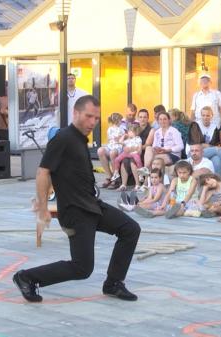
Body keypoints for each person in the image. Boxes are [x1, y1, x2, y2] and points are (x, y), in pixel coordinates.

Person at [12, 95, 141, 303]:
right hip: (75, 212)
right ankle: (26, 277)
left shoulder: (80, 140)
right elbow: (43, 172)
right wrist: (43, 207)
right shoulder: (63, 138)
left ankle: (113, 283)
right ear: (76, 113)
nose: (92, 122)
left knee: (130, 229)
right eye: (89, 116)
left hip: (91, 206)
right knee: (82, 268)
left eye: (96, 118)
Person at [113, 124, 143, 191]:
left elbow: (140, 150)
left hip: (134, 154)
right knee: (117, 159)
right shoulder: (128, 140)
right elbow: (120, 142)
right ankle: (116, 172)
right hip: (126, 154)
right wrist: (124, 136)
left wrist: (135, 151)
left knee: (137, 161)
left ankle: (140, 176)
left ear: (135, 132)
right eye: (128, 131)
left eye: (130, 131)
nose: (128, 133)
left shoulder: (138, 139)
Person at [102, 113, 125, 184]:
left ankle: (116, 176)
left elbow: (122, 140)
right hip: (112, 145)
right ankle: (109, 176)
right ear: (117, 121)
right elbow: (109, 140)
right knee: (100, 150)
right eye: (121, 120)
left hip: (118, 146)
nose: (121, 122)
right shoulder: (113, 129)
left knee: (112, 153)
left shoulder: (121, 129)